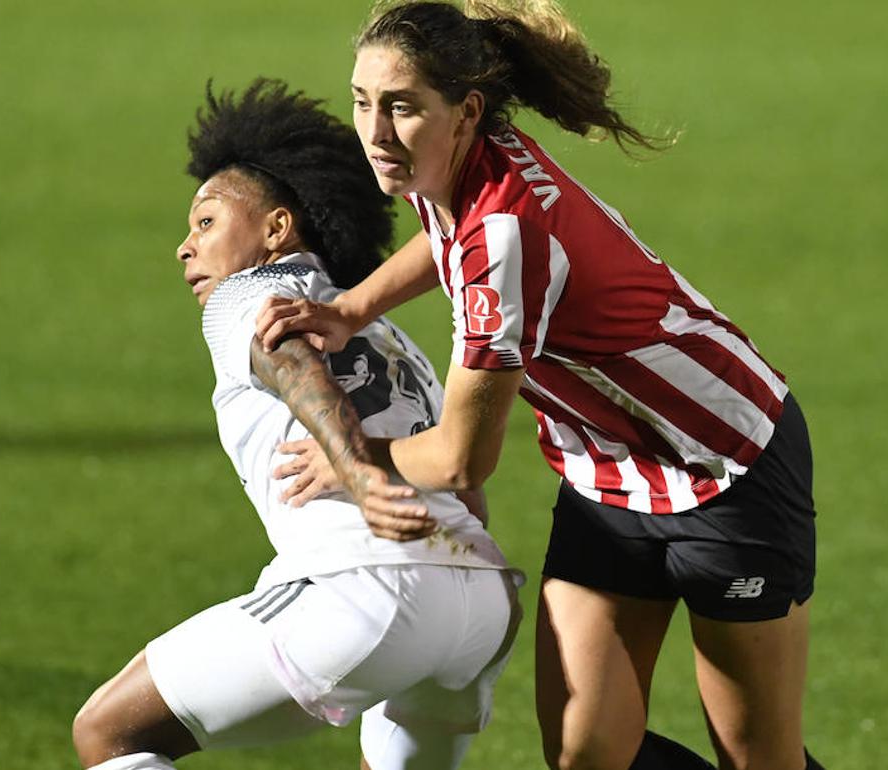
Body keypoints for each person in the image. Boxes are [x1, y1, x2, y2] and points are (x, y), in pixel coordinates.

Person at [256, 3, 824, 770]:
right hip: (606, 478)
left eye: (400, 107)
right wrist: (352, 309)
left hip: (729, 466)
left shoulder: (505, 243)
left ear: (466, 111)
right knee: (588, 758)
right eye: (363, 102)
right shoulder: (446, 163)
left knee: (759, 759)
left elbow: (461, 460)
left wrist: (352, 455)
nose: (376, 132)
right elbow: (442, 234)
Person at [71, 79, 522, 770]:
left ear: (277, 229)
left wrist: (358, 475)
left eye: (206, 222)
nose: (184, 249)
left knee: (109, 733)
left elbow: (289, 362)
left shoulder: (245, 296)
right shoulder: (389, 335)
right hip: (481, 605)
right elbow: (462, 489)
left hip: (368, 589)